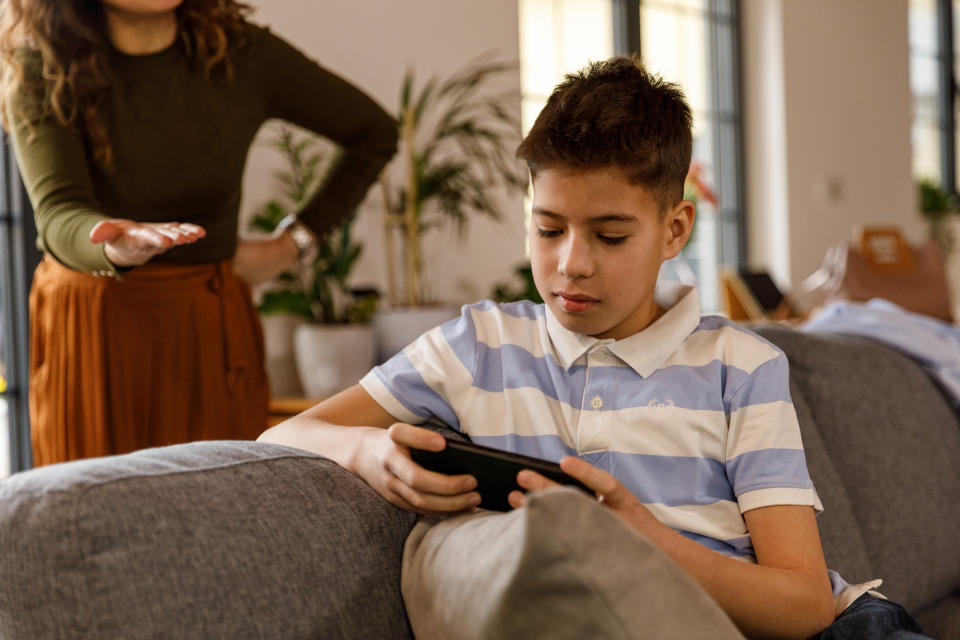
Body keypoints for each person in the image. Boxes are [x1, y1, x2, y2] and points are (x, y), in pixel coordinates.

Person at [258, 57, 929, 639]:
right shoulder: (478, 345)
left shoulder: (742, 367)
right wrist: (367, 449)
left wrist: (643, 540)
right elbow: (286, 435)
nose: (570, 265)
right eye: (548, 229)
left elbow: (805, 604)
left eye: (610, 237)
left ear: (675, 229)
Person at [0, 0, 397, 465]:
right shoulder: (41, 62)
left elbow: (374, 133)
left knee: (222, 512)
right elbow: (58, 211)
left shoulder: (241, 53)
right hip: (95, 327)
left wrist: (293, 244)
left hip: (206, 325)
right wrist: (112, 243)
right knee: (91, 520)